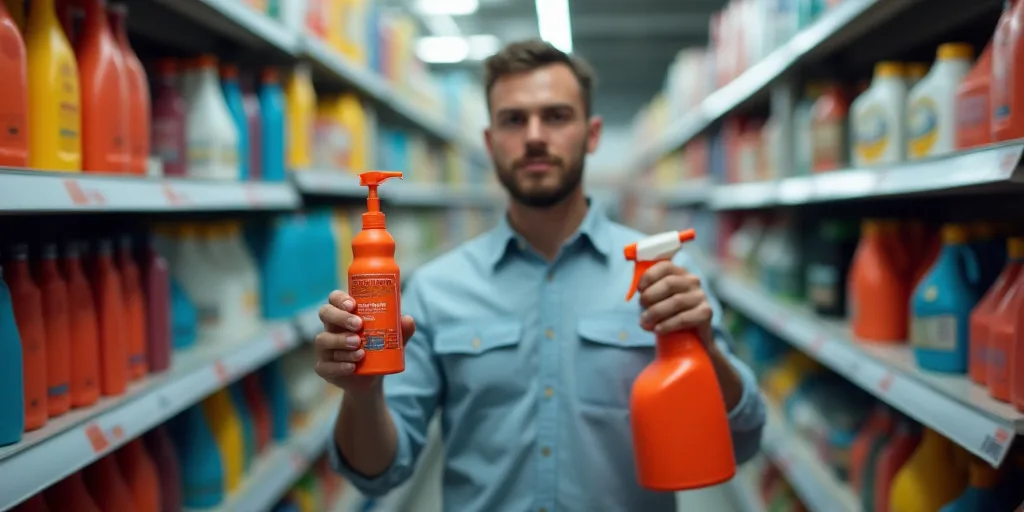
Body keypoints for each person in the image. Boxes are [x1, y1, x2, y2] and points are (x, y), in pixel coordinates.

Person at [314, 39, 766, 511]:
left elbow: (743, 440)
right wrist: (362, 394)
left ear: (591, 134)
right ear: (490, 143)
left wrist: (705, 350)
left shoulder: (666, 277)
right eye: (513, 119)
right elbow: (378, 472)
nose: (534, 135)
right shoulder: (436, 289)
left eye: (556, 116)